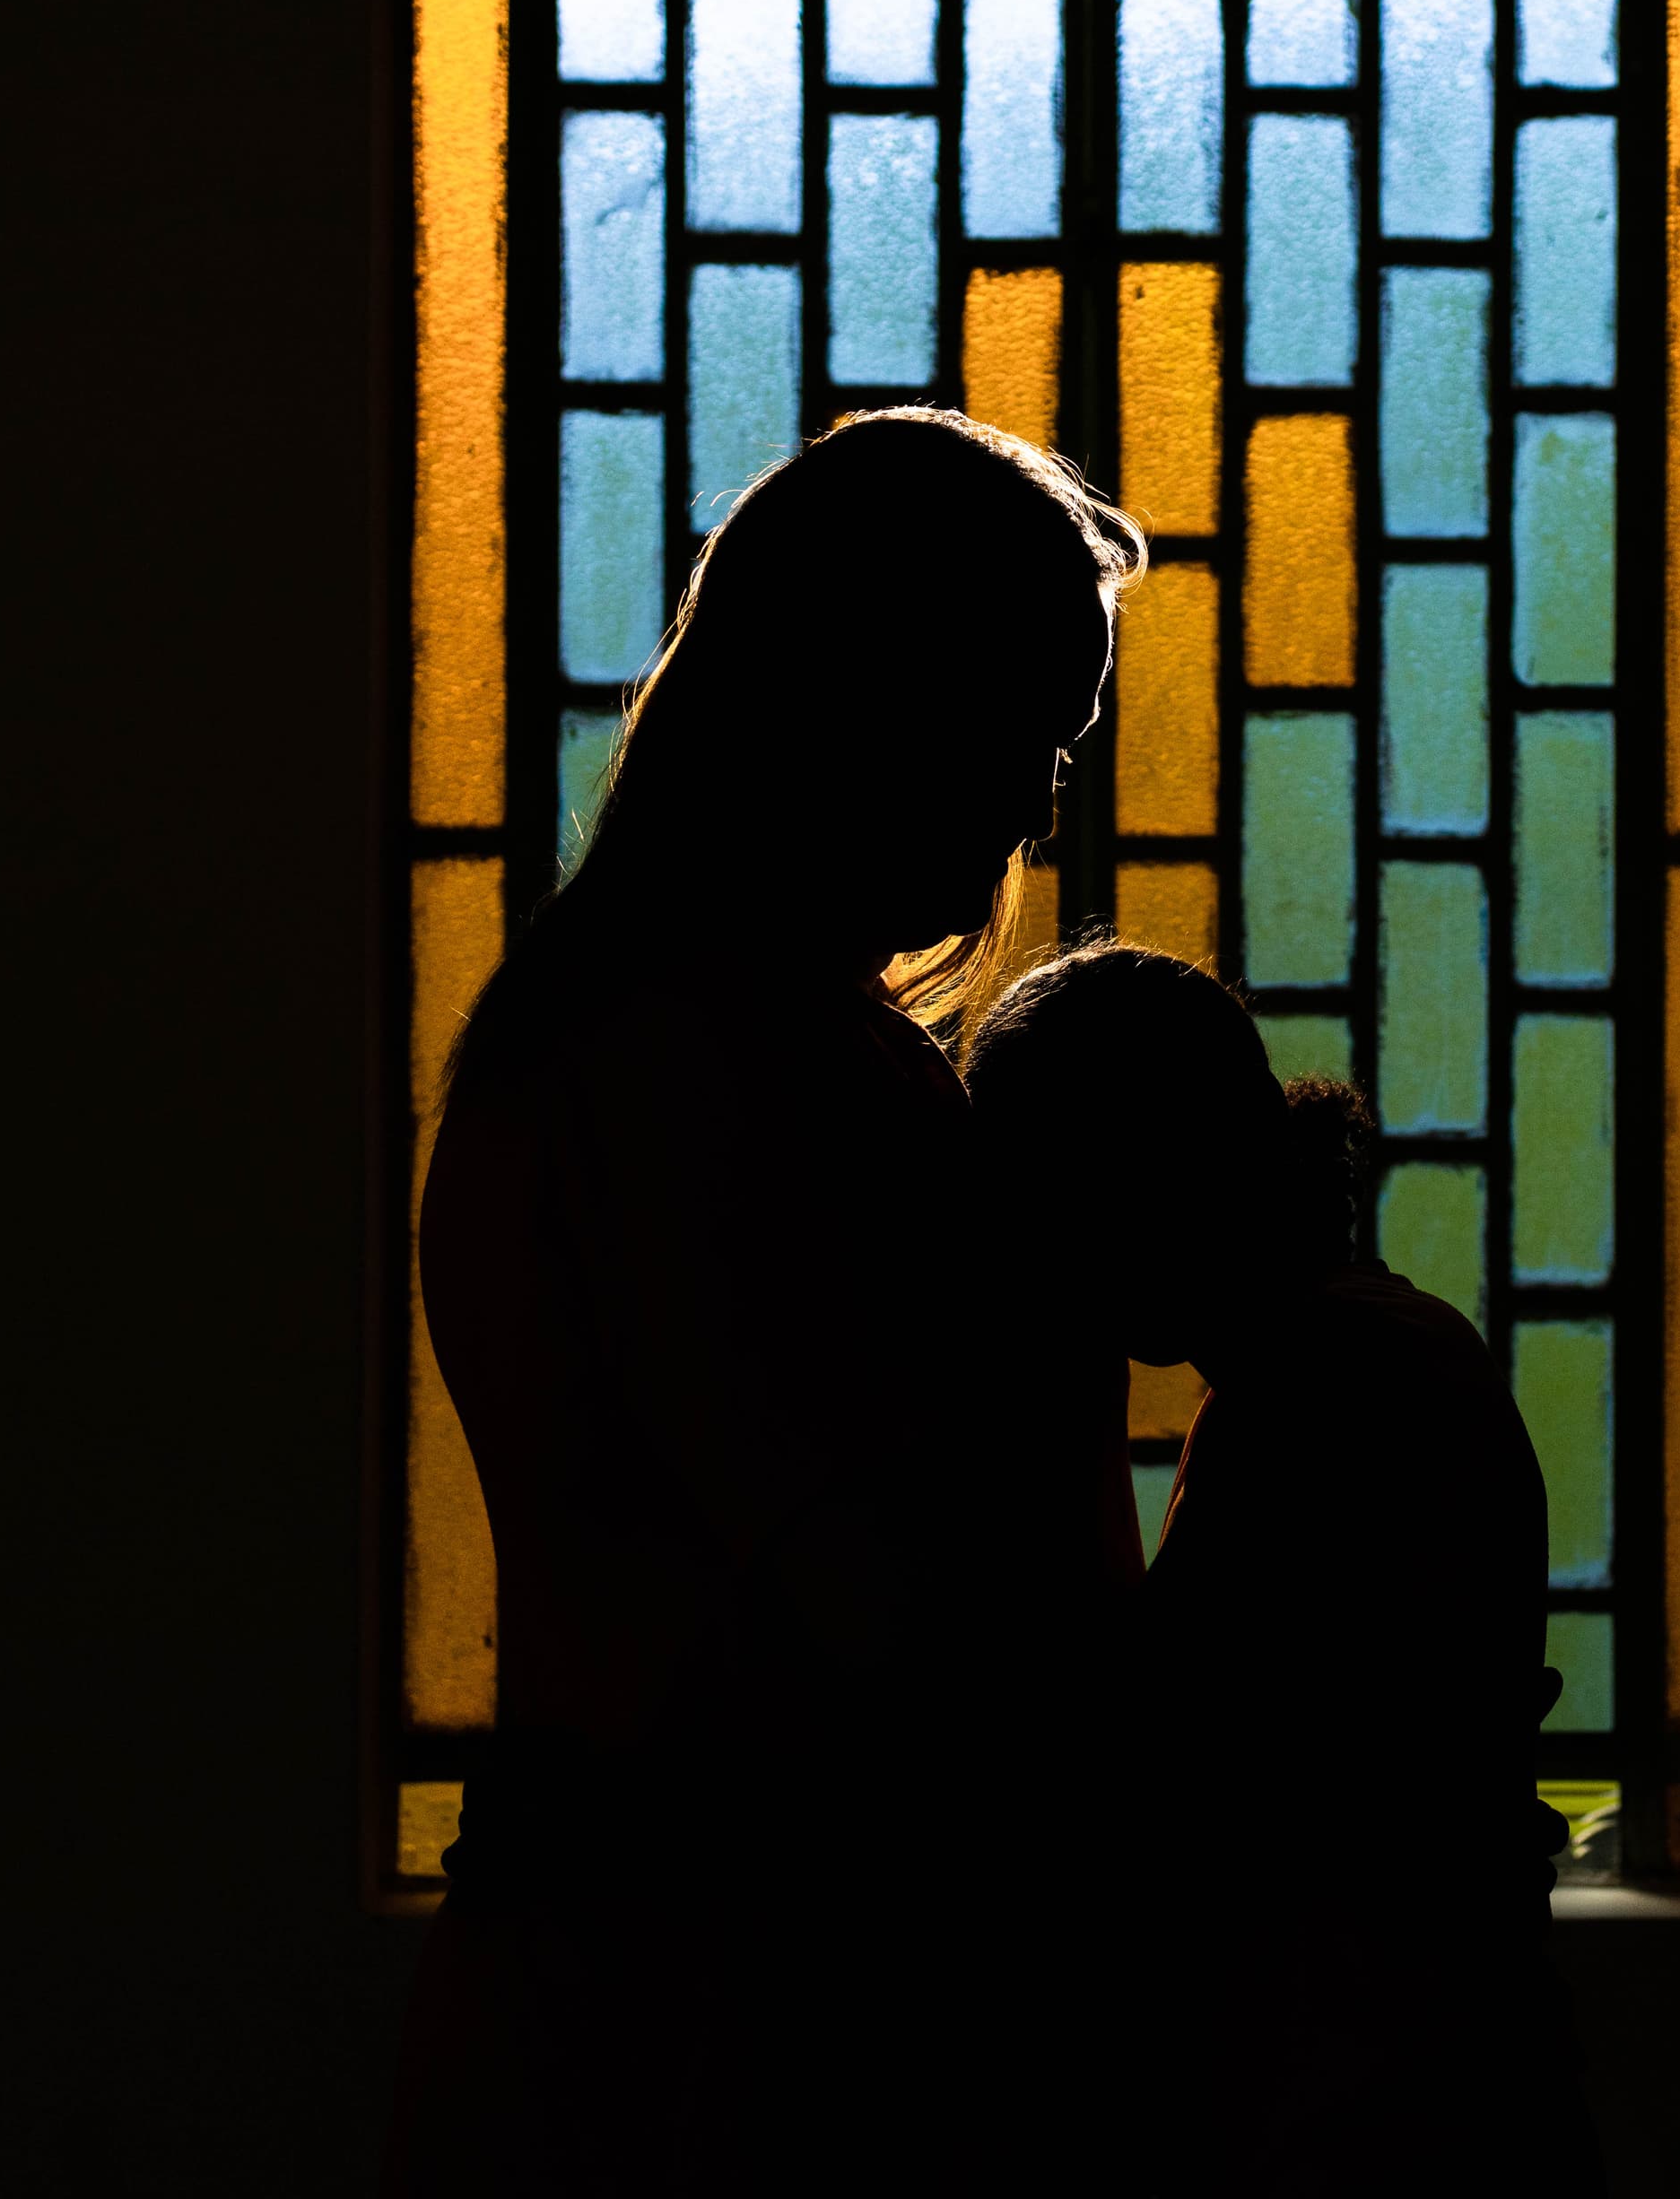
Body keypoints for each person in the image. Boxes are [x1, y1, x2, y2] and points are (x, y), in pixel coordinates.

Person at [386, 410, 1146, 2194]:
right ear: (868, 696)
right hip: (723, 2030)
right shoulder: (722, 1061)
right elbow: (884, 1606)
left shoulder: (615, 1032)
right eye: (1020, 725)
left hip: (656, 1977)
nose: (1042, 793)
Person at [963, 946, 1603, 2196]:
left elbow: (1151, 1773)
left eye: (1051, 1200)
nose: (1043, 1263)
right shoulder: (1370, 1350)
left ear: (1144, 1173)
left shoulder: (1327, 1389)